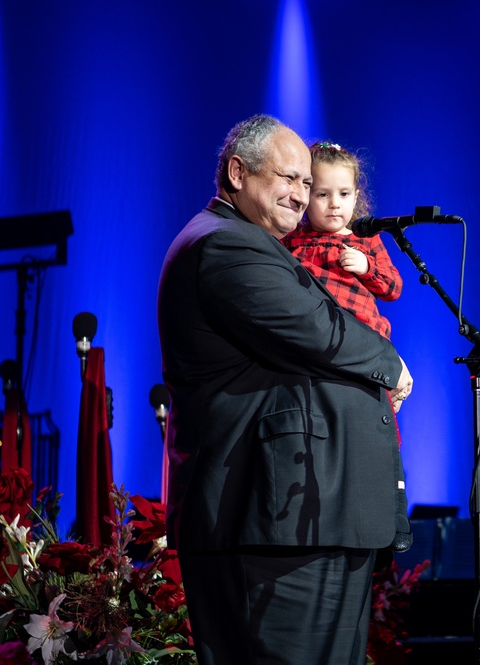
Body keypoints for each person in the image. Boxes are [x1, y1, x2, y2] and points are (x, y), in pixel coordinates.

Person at [156, 114, 413, 665]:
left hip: (304, 518)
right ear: (237, 173)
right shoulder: (225, 246)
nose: (302, 196)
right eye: (290, 179)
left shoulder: (251, 244)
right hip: (274, 522)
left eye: (307, 183)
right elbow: (320, 330)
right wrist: (390, 363)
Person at [282, 141, 402, 343]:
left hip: (359, 336)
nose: (335, 204)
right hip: (312, 333)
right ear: (306, 195)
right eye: (322, 194)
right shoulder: (292, 238)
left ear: (355, 198)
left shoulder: (366, 238)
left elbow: (393, 288)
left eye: (344, 194)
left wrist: (366, 267)